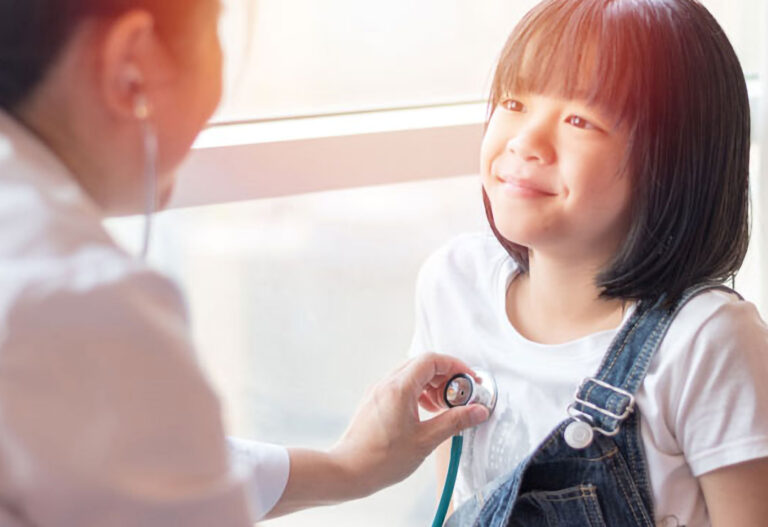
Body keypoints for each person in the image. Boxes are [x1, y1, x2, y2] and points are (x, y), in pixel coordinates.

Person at [0, 1, 490, 525]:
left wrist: (346, 467)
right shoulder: (77, 298)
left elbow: (111, 465)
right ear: (132, 64)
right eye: (219, 39)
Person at [410, 0, 768, 525]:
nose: (526, 141)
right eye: (513, 102)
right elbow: (462, 502)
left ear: (672, 159)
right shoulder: (453, 285)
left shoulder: (706, 339)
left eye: (579, 119)